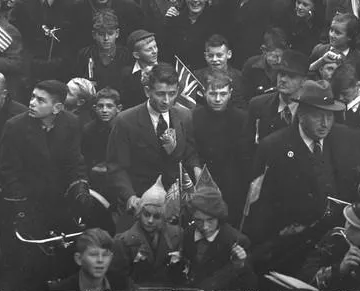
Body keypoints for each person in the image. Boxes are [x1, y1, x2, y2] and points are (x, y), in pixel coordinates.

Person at [245, 80, 360, 244]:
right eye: (317, 116)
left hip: (339, 236)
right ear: (301, 115)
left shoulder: (346, 138)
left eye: (329, 116)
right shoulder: (273, 147)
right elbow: (258, 201)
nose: (325, 123)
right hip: (292, 240)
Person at [106, 63, 201, 214]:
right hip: (140, 202)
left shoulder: (185, 116)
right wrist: (130, 196)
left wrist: (197, 171)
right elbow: (116, 167)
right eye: (160, 94)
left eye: (172, 93)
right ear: (147, 91)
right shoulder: (125, 121)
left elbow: (190, 153)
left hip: (175, 203)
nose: (167, 100)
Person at [0, 79, 90, 237]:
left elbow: (75, 161)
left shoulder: (72, 123)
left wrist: (80, 188)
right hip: (28, 202)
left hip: (61, 200)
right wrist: (22, 204)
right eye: (33, 96)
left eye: (40, 100)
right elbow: (8, 170)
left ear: (57, 108)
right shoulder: (14, 127)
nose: (32, 103)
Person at [191, 69, 251, 224]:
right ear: (204, 92)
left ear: (230, 93)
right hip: (203, 180)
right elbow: (191, 149)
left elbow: (244, 157)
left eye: (223, 94)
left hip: (233, 184)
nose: (218, 99)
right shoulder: (194, 116)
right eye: (213, 94)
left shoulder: (242, 118)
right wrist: (198, 171)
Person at [181, 182, 257, 290]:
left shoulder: (237, 241)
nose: (205, 227)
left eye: (210, 220)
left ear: (219, 217)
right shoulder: (188, 233)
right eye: (199, 220)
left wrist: (240, 265)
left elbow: (251, 286)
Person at [110, 177, 184, 285]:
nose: (150, 221)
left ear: (165, 218)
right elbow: (117, 281)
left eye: (156, 216)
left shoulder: (178, 235)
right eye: (146, 214)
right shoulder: (122, 241)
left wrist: (179, 264)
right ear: (139, 213)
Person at [246, 49, 308, 144]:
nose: (283, 79)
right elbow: (247, 145)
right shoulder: (257, 105)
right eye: (281, 74)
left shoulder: (311, 109)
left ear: (303, 81)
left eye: (291, 76)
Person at [46, 228, 132, 291]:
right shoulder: (61, 289)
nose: (100, 260)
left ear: (111, 257)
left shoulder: (121, 283)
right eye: (93, 254)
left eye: (105, 255)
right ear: (79, 259)